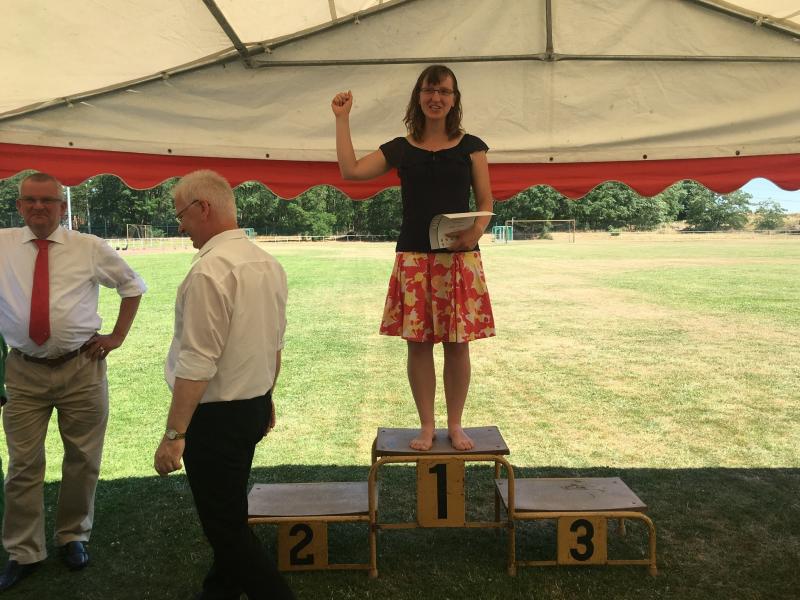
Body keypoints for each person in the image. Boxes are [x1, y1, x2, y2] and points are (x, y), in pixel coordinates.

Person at [332, 64, 495, 452]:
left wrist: (473, 234)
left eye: (444, 91)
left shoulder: (472, 147)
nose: (436, 98)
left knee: (458, 345)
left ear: (454, 99)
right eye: (429, 90)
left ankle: (455, 425)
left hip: (459, 260)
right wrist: (342, 119)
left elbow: (486, 202)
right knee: (418, 345)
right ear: (418, 96)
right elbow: (351, 171)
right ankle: (426, 425)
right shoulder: (400, 149)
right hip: (414, 260)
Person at [0, 172, 146, 592]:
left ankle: (73, 536)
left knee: (82, 457)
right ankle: (24, 551)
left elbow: (132, 286)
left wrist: (116, 337)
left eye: (47, 200)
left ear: (62, 207)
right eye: (30, 200)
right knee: (23, 464)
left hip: (82, 366)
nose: (38, 207)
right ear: (19, 205)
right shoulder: (3, 245)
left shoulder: (89, 247)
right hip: (23, 369)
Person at [153, 170, 294, 600]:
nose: (180, 227)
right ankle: (220, 591)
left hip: (216, 417)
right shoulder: (267, 263)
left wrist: (174, 434)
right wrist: (267, 396)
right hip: (250, 406)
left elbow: (198, 361)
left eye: (181, 215)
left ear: (203, 209)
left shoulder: (210, 272)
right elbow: (273, 343)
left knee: (225, 528)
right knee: (230, 508)